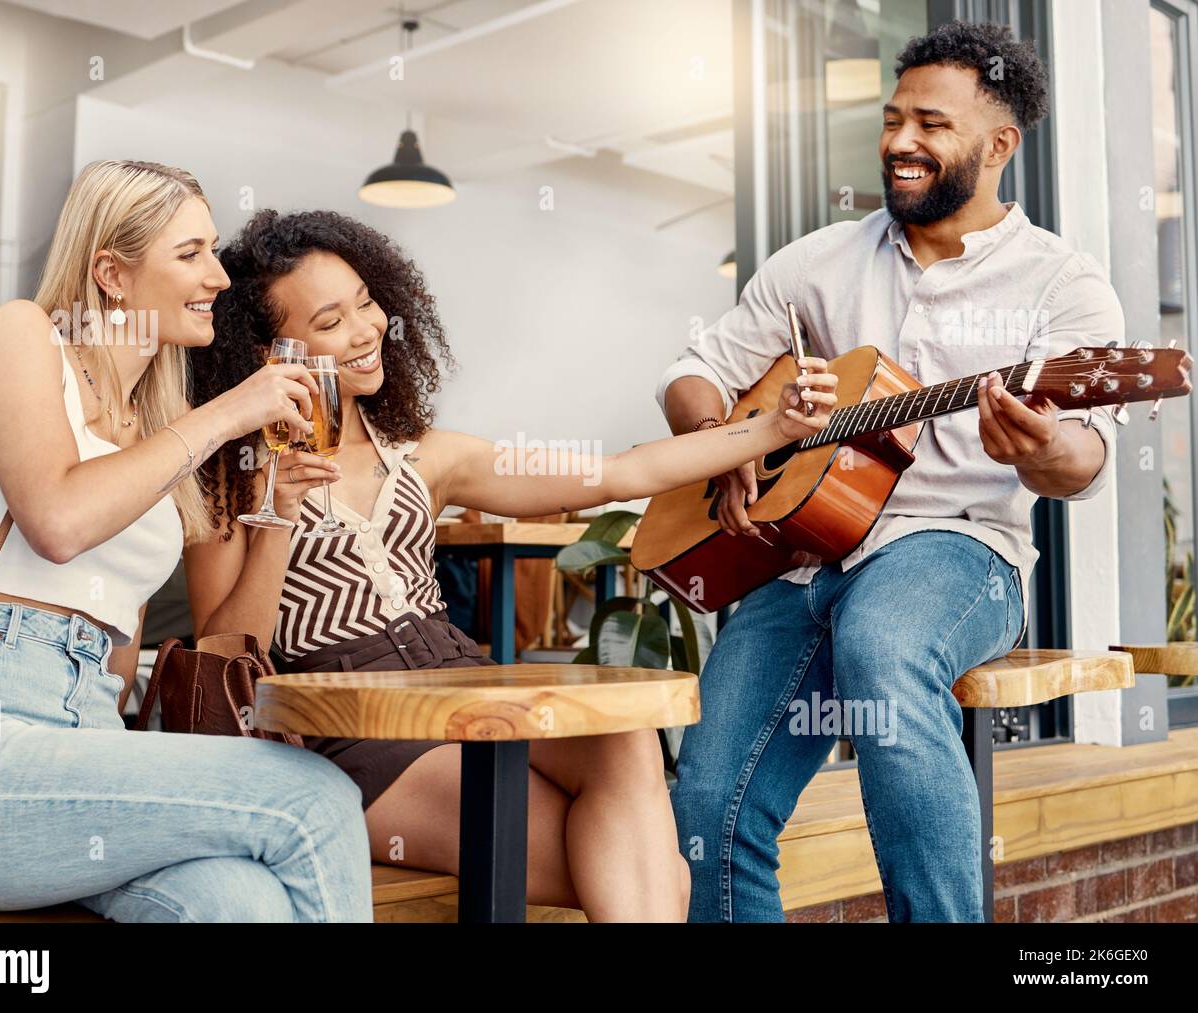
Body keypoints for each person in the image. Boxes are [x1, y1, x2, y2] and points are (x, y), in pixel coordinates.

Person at [183, 208, 839, 922]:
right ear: (269, 353)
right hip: (350, 732)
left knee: (624, 743)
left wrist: (774, 428)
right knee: (657, 873)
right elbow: (223, 649)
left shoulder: (426, 455)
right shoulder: (227, 472)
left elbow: (617, 473)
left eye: (367, 303)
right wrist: (277, 513)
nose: (366, 331)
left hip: (458, 681)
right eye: (330, 321)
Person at [660, 21, 1126, 922]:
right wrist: (727, 439)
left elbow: (1085, 459)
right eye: (892, 119)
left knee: (883, 639)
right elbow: (694, 372)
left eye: (931, 125)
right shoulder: (818, 260)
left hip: (956, 551)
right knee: (710, 805)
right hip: (795, 558)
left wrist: (1043, 448)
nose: (901, 143)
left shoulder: (1061, 284)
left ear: (1000, 145)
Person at [0, 160, 372, 922]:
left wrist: (274, 508)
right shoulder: (23, 335)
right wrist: (227, 413)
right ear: (110, 274)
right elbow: (56, 521)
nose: (219, 276)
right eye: (190, 254)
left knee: (238, 902)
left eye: (213, 250)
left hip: (87, 742)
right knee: (312, 794)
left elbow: (123, 644)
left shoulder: (157, 427)